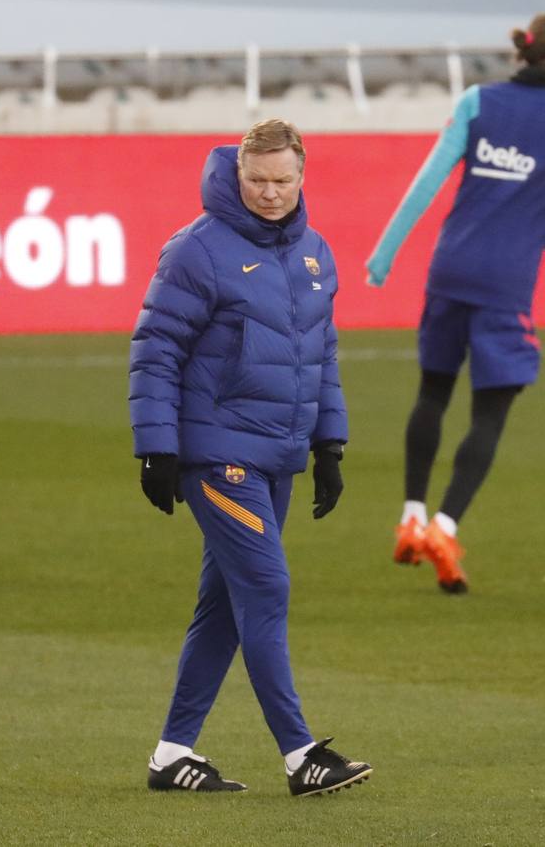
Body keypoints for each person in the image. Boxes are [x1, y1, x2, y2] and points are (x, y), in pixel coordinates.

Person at [129, 119, 372, 796]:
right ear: (238, 174)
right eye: (257, 180)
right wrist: (156, 449)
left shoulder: (316, 253)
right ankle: (301, 756)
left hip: (278, 455)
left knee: (224, 606)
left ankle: (172, 755)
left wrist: (330, 444)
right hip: (218, 455)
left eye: (282, 181)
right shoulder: (196, 252)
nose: (269, 192)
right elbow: (155, 352)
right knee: (266, 589)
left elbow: (320, 356)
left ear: (301, 177)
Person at [364, 12, 545, 594]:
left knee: (432, 392)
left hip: (450, 270)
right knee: (489, 414)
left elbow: (427, 182)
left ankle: (411, 515)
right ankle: (444, 527)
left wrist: (384, 254)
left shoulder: (475, 100)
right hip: (505, 285)